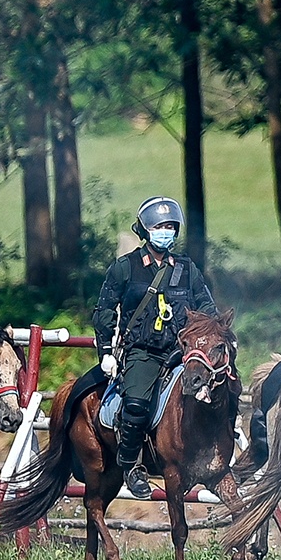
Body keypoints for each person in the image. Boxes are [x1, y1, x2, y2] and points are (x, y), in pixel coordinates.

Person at [92, 197, 218, 498]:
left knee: (217, 396)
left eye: (171, 227)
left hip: (182, 353)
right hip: (143, 351)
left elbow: (206, 308)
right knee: (135, 404)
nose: (166, 232)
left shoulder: (187, 269)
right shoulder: (125, 268)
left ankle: (216, 456)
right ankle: (132, 465)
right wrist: (106, 353)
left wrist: (218, 334)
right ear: (145, 230)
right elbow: (105, 311)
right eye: (160, 227)